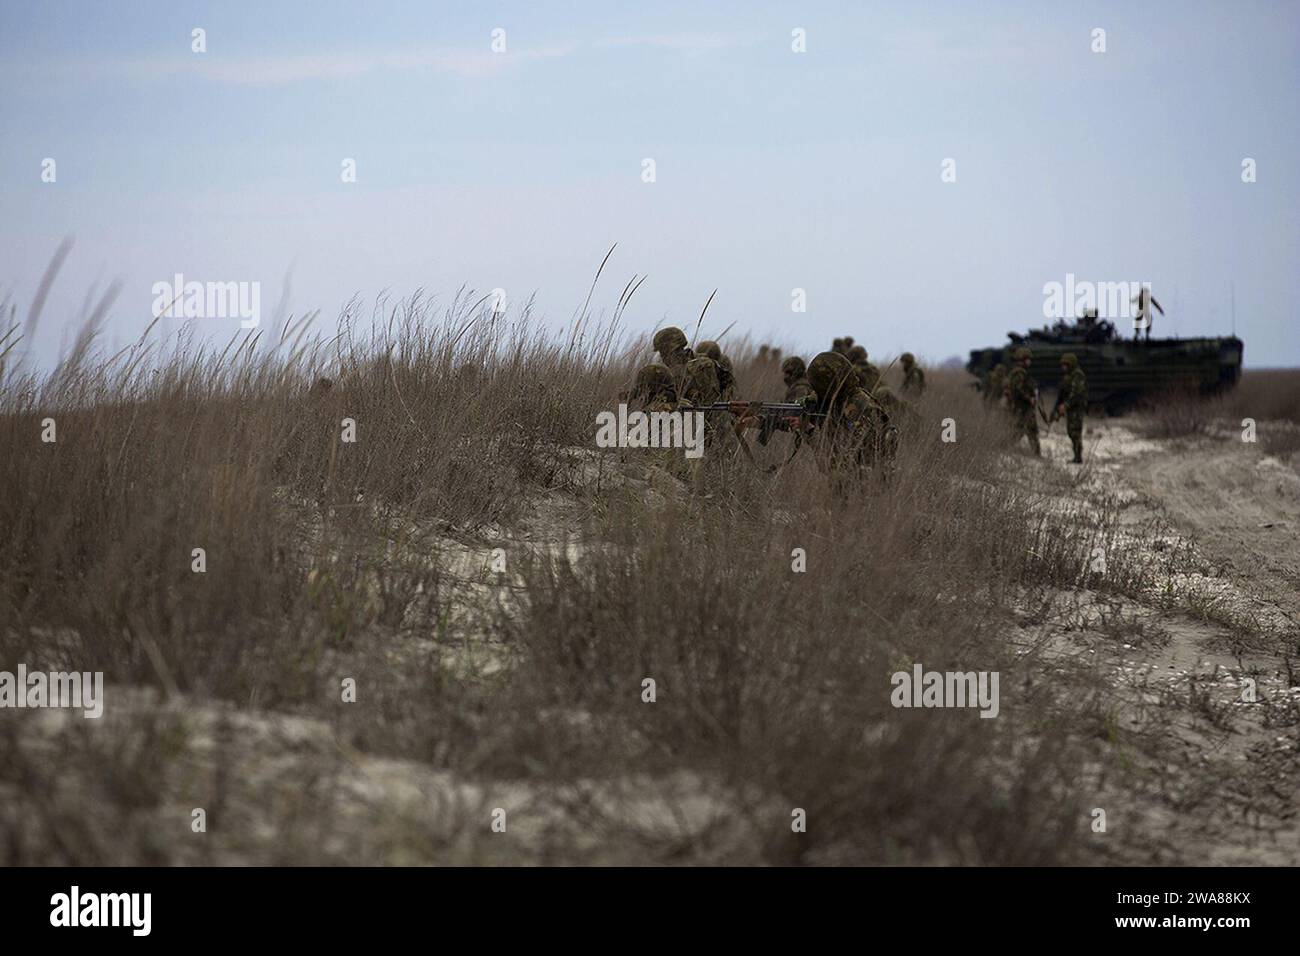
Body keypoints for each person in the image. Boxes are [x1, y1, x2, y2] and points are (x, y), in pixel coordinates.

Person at [1005, 346, 1040, 456]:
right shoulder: (1019, 373)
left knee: (1022, 430)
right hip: (1023, 407)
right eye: (1028, 359)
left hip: (1022, 407)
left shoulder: (1020, 372)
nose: (1030, 361)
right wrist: (1029, 398)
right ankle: (1036, 454)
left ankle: (1036, 453)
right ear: (1023, 359)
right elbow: (1018, 388)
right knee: (1026, 430)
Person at [1053, 353, 1087, 464]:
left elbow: (1076, 393)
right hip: (1071, 408)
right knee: (1071, 431)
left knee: (1075, 432)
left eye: (1065, 365)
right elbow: (1063, 394)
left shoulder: (1077, 375)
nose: (1063, 367)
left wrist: (1066, 405)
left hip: (1076, 408)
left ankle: (1078, 457)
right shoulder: (1069, 376)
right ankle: (1077, 456)